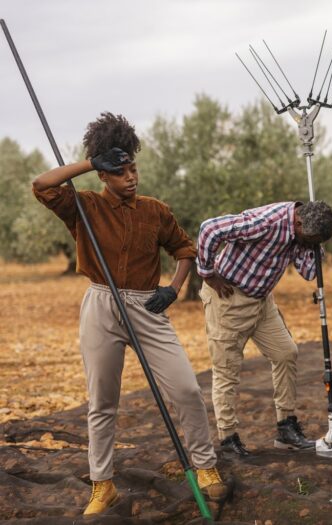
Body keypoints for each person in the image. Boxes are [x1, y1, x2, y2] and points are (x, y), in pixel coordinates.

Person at [31, 112, 226, 516]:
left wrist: (173, 289)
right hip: (101, 304)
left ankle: (206, 467)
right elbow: (41, 185)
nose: (130, 177)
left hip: (146, 306)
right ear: (104, 175)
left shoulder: (155, 211)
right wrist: (89, 163)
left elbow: (185, 250)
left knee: (186, 389)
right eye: (120, 171)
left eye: (133, 168)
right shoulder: (82, 207)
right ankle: (103, 484)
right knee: (102, 400)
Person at [197, 200, 332, 455]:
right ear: (298, 223)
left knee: (286, 353)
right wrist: (207, 273)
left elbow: (308, 273)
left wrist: (314, 248)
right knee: (227, 372)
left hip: (262, 303)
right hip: (229, 299)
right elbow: (209, 228)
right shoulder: (264, 223)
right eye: (310, 239)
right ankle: (228, 439)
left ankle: (286, 427)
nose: (309, 244)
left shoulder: (303, 232)